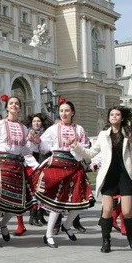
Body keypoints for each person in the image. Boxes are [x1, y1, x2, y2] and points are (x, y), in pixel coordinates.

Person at [70, 106, 132, 253]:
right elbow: (91, 153)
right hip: (109, 176)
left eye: (117, 114)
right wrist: (76, 146)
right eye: (112, 114)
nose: (114, 116)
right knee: (107, 210)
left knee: (127, 211)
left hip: (125, 176)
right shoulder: (103, 135)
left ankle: (131, 237)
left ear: (122, 118)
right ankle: (106, 241)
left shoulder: (130, 135)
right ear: (109, 118)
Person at [0, 96, 38, 247]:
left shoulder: (23, 128)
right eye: (11, 103)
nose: (14, 105)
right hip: (2, 164)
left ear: (20, 108)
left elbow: (24, 151)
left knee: (17, 203)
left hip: (16, 165)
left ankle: (3, 224)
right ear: (7, 107)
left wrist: (31, 141)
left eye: (17, 103)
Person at [33, 101, 93, 248]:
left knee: (80, 201)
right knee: (57, 202)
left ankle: (67, 225)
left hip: (74, 165)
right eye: (61, 111)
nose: (64, 114)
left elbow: (85, 148)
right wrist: (36, 141)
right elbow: (43, 147)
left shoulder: (79, 129)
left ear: (73, 112)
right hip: (58, 164)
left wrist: (76, 146)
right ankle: (48, 234)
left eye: (67, 111)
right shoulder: (54, 129)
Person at [23, 113, 54, 229]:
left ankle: (40, 215)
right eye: (34, 121)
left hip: (42, 163)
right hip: (31, 164)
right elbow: (27, 151)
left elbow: (46, 149)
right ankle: (33, 216)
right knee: (34, 191)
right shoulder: (27, 134)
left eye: (38, 121)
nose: (36, 123)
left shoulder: (45, 134)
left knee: (42, 190)